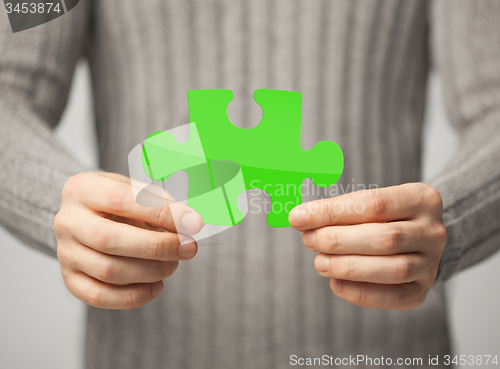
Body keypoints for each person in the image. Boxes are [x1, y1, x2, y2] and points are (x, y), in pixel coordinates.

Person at [1, 1, 499, 368]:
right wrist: (55, 198)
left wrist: (452, 218)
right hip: (143, 352)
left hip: (384, 354)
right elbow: (7, 86)